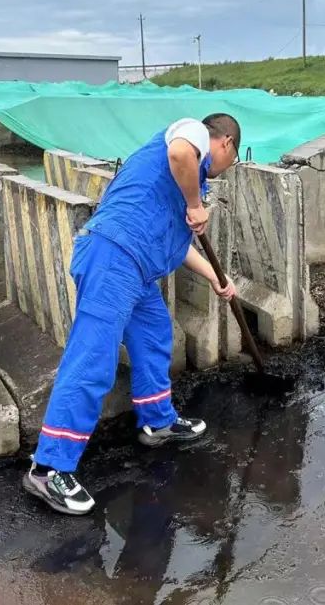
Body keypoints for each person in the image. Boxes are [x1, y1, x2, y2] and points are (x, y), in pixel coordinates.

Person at [22, 113, 243, 515]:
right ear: (226, 142)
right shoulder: (191, 133)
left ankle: (157, 421)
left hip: (137, 270)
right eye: (233, 158)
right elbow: (180, 153)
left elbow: (179, 246)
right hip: (113, 256)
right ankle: (48, 468)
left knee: (155, 334)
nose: (226, 167)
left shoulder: (188, 183)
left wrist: (217, 277)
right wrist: (196, 205)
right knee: (93, 358)